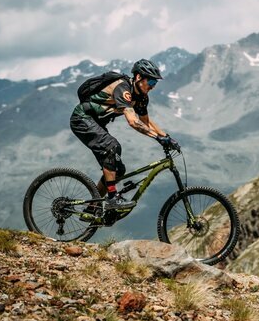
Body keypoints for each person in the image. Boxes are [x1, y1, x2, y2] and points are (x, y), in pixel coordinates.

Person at [70, 58, 179, 210]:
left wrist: (167, 137)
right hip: (82, 119)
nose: (153, 86)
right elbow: (133, 121)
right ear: (139, 77)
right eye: (151, 82)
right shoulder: (123, 88)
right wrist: (157, 138)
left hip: (96, 123)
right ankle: (112, 198)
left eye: (155, 83)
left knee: (118, 170)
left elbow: (146, 121)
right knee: (111, 146)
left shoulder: (141, 97)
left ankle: (93, 207)